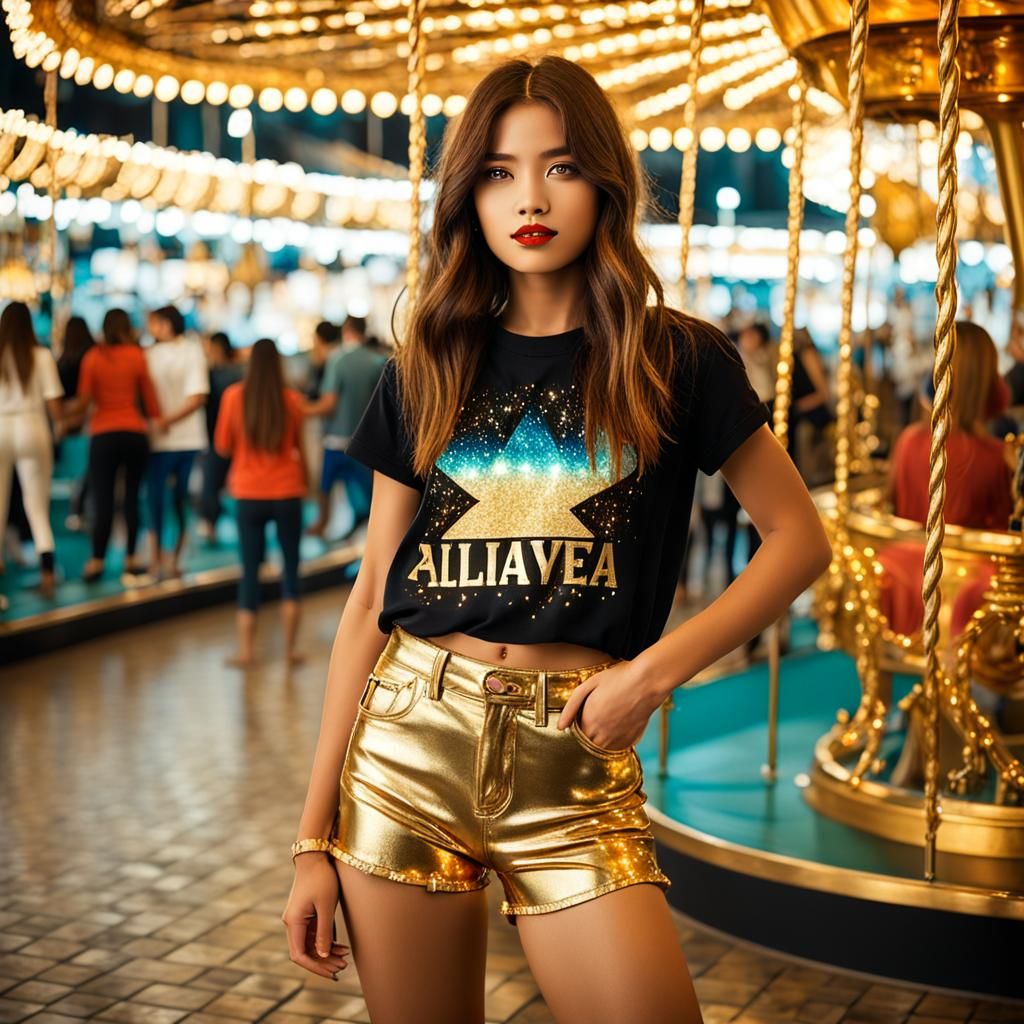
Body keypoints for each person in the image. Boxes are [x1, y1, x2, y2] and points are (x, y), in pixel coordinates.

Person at [281, 57, 832, 1024]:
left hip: (575, 756)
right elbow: (370, 599)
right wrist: (310, 840)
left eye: (561, 167)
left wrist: (653, 676)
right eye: (499, 172)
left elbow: (798, 539)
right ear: (469, 195)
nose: (529, 198)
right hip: (406, 742)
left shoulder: (676, 358)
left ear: (604, 183)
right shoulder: (427, 362)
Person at [879, 321, 1013, 637]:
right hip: (964, 590)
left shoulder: (909, 441)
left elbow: (895, 505)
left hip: (906, 578)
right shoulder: (996, 457)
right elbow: (1004, 532)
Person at [214, 337, 308, 668]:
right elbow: (299, 448)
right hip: (287, 491)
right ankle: (290, 650)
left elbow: (222, 446)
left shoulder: (232, 397)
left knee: (250, 570)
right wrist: (307, 484)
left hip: (249, 493)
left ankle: (246, 651)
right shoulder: (292, 400)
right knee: (291, 569)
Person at [68, 309, 161, 584]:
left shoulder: (93, 357)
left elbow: (84, 401)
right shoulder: (136, 355)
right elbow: (150, 399)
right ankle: (131, 559)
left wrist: (65, 417)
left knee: (103, 499)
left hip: (103, 434)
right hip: (134, 433)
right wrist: (157, 421)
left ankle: (96, 561)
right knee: (132, 498)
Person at [0, 301, 64, 599]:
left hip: (1, 426)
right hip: (32, 426)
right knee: (37, 507)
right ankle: (47, 573)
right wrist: (63, 424)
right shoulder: (41, 355)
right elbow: (54, 404)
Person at [303, 315, 387, 539]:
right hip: (366, 440)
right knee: (368, 490)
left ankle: (322, 525)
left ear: (347, 329)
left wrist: (300, 409)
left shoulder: (338, 360)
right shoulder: (378, 360)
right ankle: (374, 532)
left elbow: (329, 403)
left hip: (337, 439)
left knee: (325, 487)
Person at [144, 305, 209, 579]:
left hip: (184, 439)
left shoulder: (191, 350)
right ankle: (156, 558)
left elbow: (198, 396)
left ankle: (176, 558)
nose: (150, 328)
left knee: (179, 501)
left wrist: (164, 421)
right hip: (160, 439)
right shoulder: (149, 353)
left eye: (154, 322)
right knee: (157, 501)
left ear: (167, 323)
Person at [197, 331, 244, 542]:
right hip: (232, 438)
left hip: (220, 438)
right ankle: (215, 523)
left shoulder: (217, 375)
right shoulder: (237, 373)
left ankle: (212, 524)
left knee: (211, 485)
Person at [56, 316, 96, 532]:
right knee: (89, 467)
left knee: (79, 468)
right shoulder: (93, 355)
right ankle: (82, 508)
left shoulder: (63, 360)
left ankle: (77, 509)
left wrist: (63, 418)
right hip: (91, 414)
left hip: (70, 417)